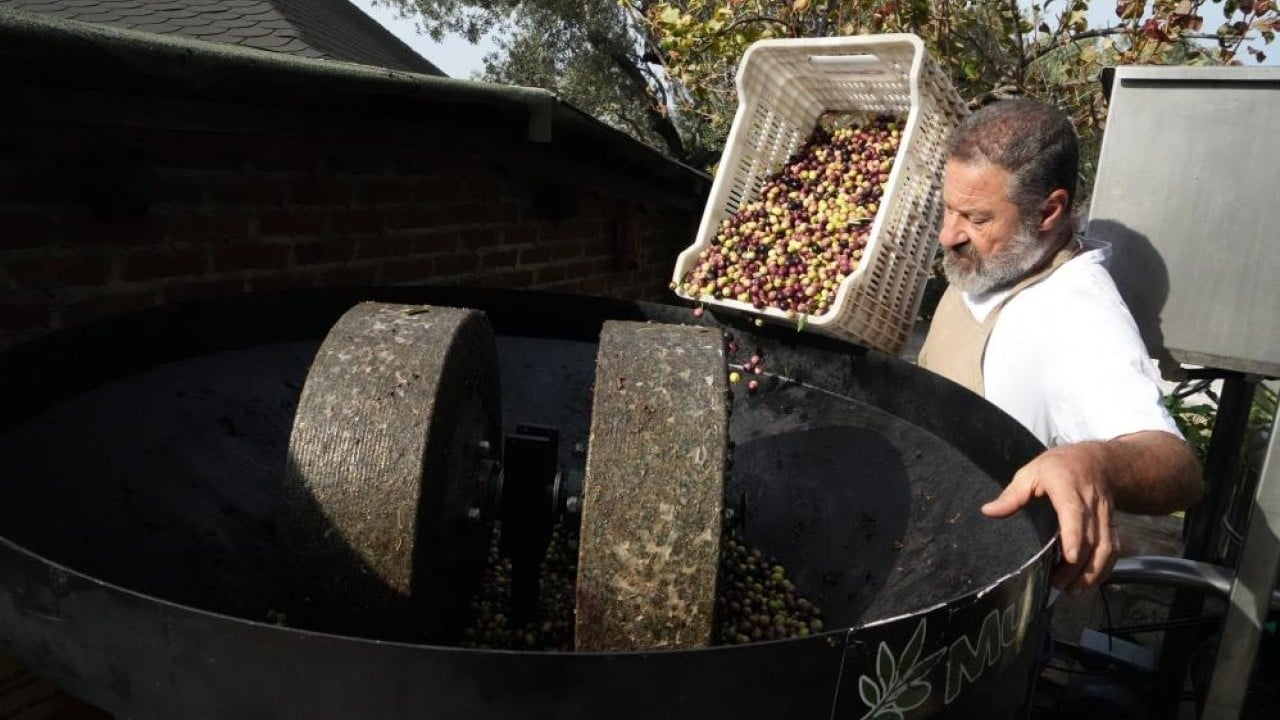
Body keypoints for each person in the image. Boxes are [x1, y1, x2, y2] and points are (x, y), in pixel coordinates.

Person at [917, 98, 1203, 599]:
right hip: (921, 543)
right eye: (948, 207)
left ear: (1048, 211)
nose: (948, 234)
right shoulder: (999, 259)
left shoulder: (1076, 313)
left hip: (979, 602)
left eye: (976, 218)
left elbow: (1177, 467)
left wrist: (1093, 463)